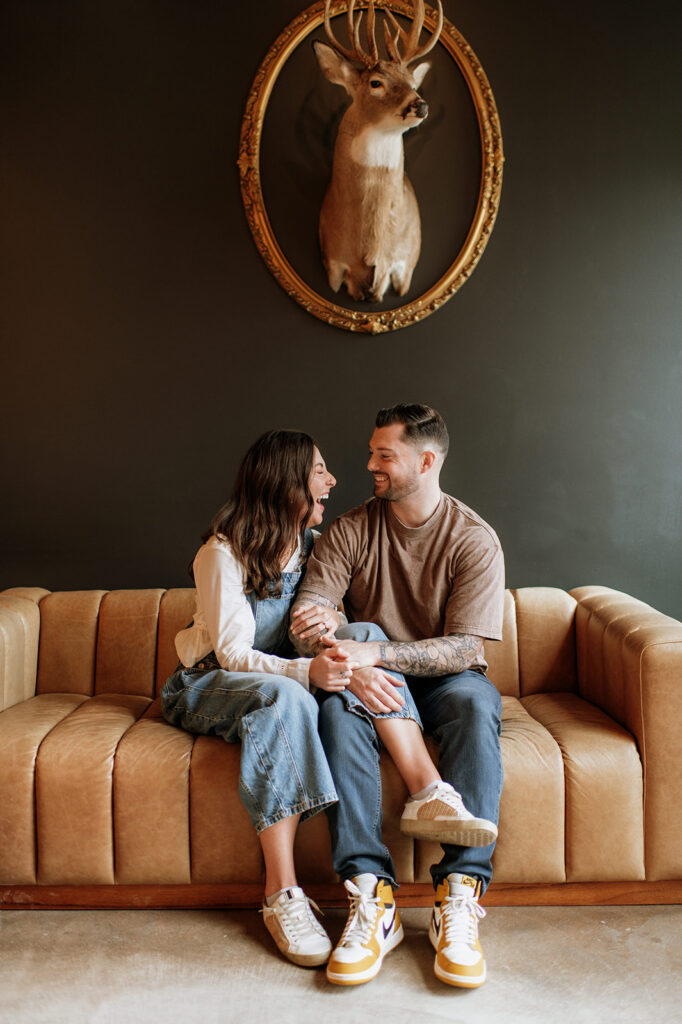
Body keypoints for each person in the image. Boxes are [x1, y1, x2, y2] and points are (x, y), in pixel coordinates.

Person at [289, 404, 505, 989]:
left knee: (476, 703)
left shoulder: (473, 539)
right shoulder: (352, 529)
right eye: (372, 452)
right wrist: (340, 645)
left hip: (442, 683)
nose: (370, 465)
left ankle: (458, 896)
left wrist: (374, 654)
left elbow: (464, 652)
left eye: (384, 455)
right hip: (369, 682)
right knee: (335, 706)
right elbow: (307, 615)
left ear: (425, 461)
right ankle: (370, 897)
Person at [161, 429, 352, 968]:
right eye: (319, 470)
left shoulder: (312, 548)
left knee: (322, 672)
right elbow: (233, 654)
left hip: (274, 683)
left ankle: (335, 881)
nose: (331, 480)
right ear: (286, 482)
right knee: (286, 696)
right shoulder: (221, 552)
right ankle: (281, 894)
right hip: (202, 683)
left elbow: (322, 625)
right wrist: (305, 671)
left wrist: (330, 622)